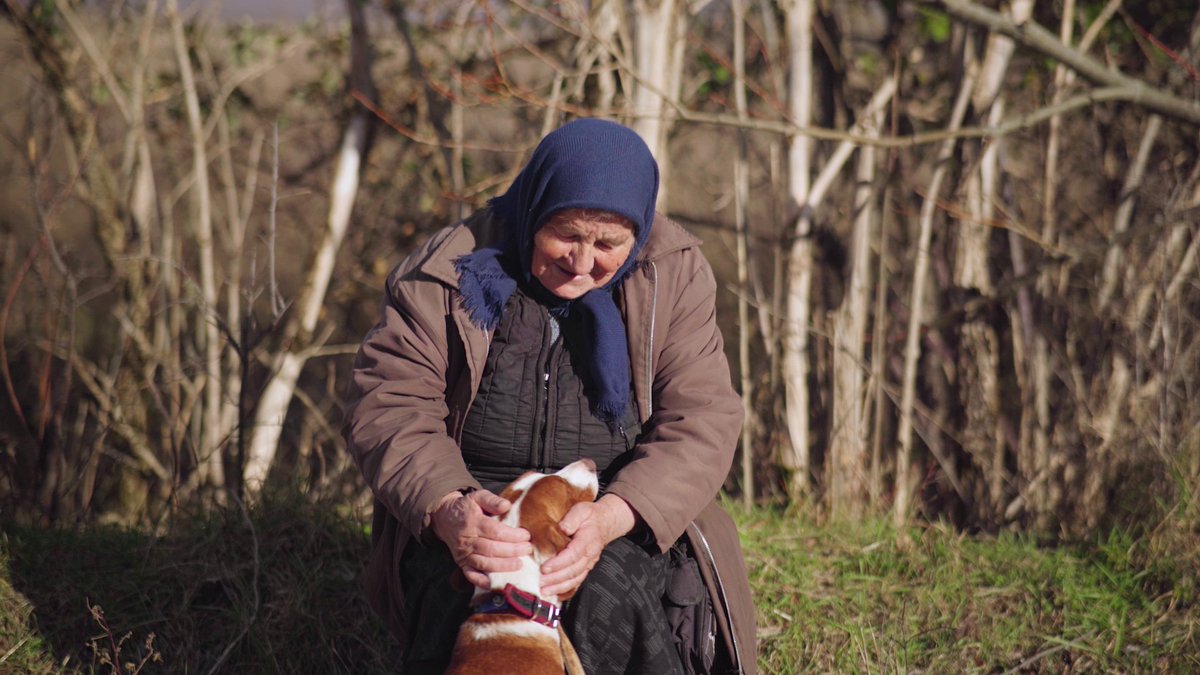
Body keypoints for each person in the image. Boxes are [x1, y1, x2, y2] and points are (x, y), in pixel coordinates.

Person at [344, 118, 755, 674]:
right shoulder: (445, 271)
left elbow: (702, 421)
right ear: (535, 209)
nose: (582, 263)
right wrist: (449, 508)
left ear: (637, 235)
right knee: (467, 592)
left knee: (609, 588)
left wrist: (614, 516)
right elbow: (389, 403)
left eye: (608, 243)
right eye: (566, 234)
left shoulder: (673, 275)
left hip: (614, 503)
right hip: (478, 504)